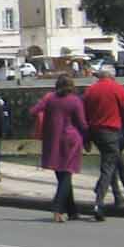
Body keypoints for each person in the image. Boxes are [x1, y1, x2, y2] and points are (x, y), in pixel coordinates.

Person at [83, 64, 124, 221]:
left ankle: (117, 195)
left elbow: (84, 115)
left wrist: (86, 138)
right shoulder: (117, 88)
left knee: (110, 162)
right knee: (108, 166)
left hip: (95, 132)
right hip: (110, 131)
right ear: (112, 75)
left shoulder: (90, 90)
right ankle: (98, 201)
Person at [33, 76, 91, 223]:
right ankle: (57, 208)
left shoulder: (49, 98)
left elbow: (34, 111)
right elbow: (82, 123)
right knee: (66, 175)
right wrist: (88, 139)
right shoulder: (75, 100)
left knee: (62, 175)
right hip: (71, 140)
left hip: (53, 140)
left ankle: (72, 211)